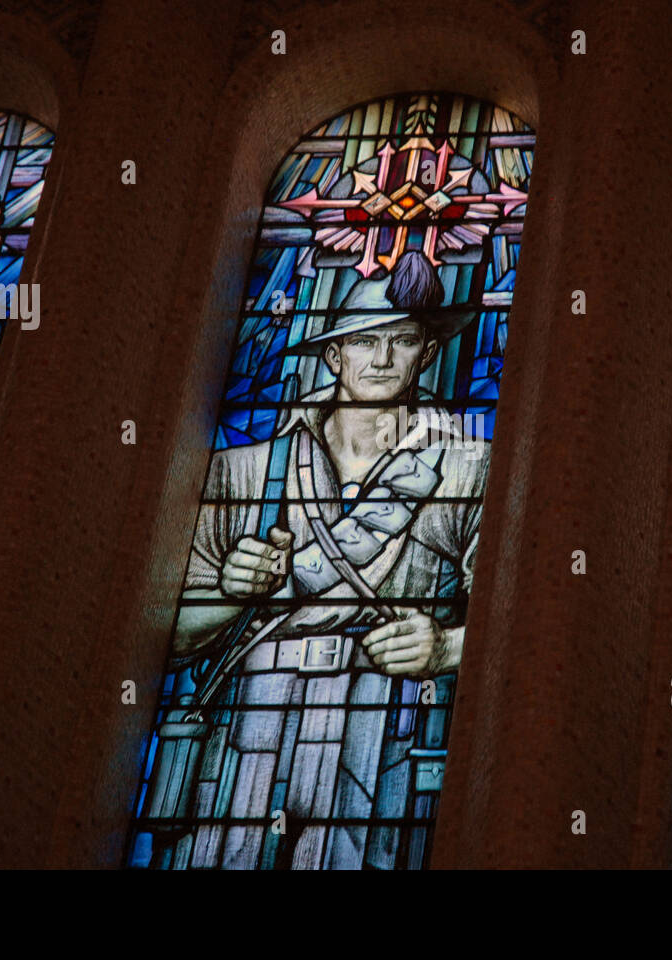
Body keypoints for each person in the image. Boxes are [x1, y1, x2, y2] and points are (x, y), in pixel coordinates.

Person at [146, 250, 487, 869]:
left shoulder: (474, 469)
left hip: (388, 725)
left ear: (428, 354)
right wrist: (231, 592)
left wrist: (447, 649)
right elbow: (161, 639)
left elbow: (523, 626)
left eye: (403, 341)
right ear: (334, 357)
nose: (382, 359)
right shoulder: (241, 471)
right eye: (363, 342)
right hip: (246, 722)